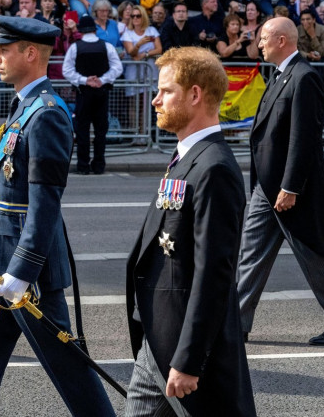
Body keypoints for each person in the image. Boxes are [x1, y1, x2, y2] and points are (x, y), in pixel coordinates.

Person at [0, 15, 116, 416]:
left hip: (28, 271)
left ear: (30, 54)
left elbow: (45, 205)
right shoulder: (23, 104)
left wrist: (21, 273)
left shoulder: (47, 114)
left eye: (4, 51)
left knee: (69, 369)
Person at [125, 46, 256, 417]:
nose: (155, 100)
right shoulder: (187, 156)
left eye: (165, 91)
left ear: (195, 94)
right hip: (161, 332)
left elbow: (214, 273)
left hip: (182, 341)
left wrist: (188, 360)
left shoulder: (213, 167)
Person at [237, 17, 324, 345]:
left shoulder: (304, 77)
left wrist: (291, 187)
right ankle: (235, 323)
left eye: (263, 38)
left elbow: (304, 139)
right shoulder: (281, 75)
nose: (259, 44)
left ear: (280, 40)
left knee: (312, 254)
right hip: (267, 185)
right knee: (250, 254)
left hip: (290, 189)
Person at [63, 15, 122, 174]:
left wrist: (83, 80)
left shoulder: (76, 47)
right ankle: (99, 165)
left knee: (82, 130)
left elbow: (66, 70)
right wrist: (102, 80)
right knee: (100, 131)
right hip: (102, 92)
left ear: (81, 30)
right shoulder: (106, 46)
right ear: (94, 30)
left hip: (84, 92)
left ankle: (83, 165)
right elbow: (117, 68)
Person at [121, 5, 162, 145]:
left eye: (138, 16)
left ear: (143, 16)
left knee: (146, 104)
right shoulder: (128, 33)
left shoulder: (151, 30)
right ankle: (135, 134)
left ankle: (145, 134)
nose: (135, 19)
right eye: (132, 16)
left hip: (149, 72)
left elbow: (159, 48)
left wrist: (144, 54)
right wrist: (138, 44)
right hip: (133, 72)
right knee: (133, 104)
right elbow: (131, 53)